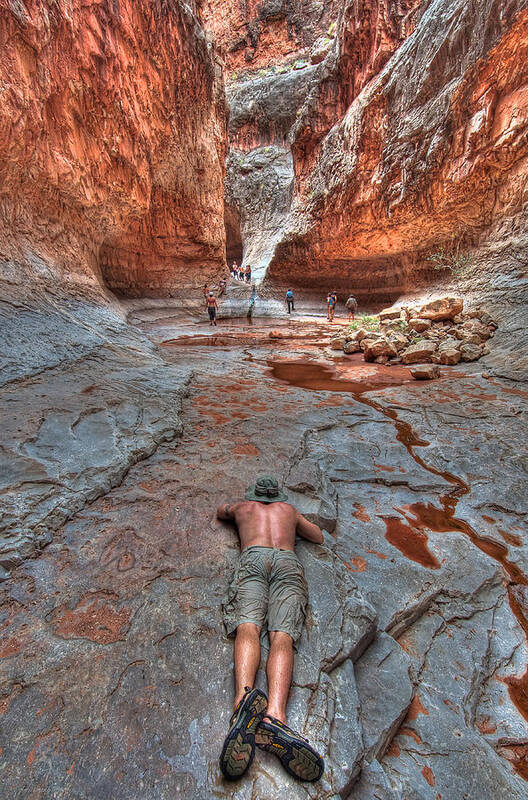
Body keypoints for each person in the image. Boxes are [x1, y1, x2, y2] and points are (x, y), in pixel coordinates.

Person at [218, 476, 325, 783]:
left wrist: (236, 509)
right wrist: (295, 520)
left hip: (252, 558)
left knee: (248, 628)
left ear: (254, 496)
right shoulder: (288, 511)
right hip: (287, 562)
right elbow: (317, 537)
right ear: (278, 497)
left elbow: (220, 511)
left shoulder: (243, 507)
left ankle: (243, 704)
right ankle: (276, 715)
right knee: (282, 637)